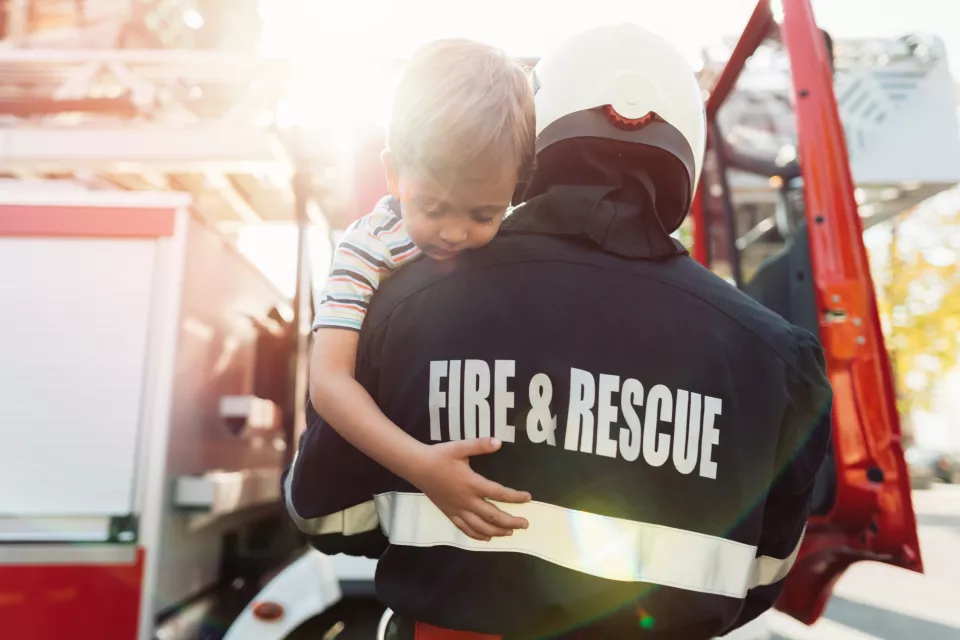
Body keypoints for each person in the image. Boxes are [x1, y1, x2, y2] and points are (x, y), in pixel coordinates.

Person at [285, 23, 833, 640]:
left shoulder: (397, 304)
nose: (452, 228)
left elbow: (327, 518)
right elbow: (759, 576)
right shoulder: (778, 363)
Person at [309, 39, 537, 542]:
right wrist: (421, 467)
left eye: (484, 214)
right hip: (402, 467)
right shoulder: (368, 248)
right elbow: (328, 382)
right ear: (393, 173)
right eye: (433, 207)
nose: (454, 233)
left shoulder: (522, 238)